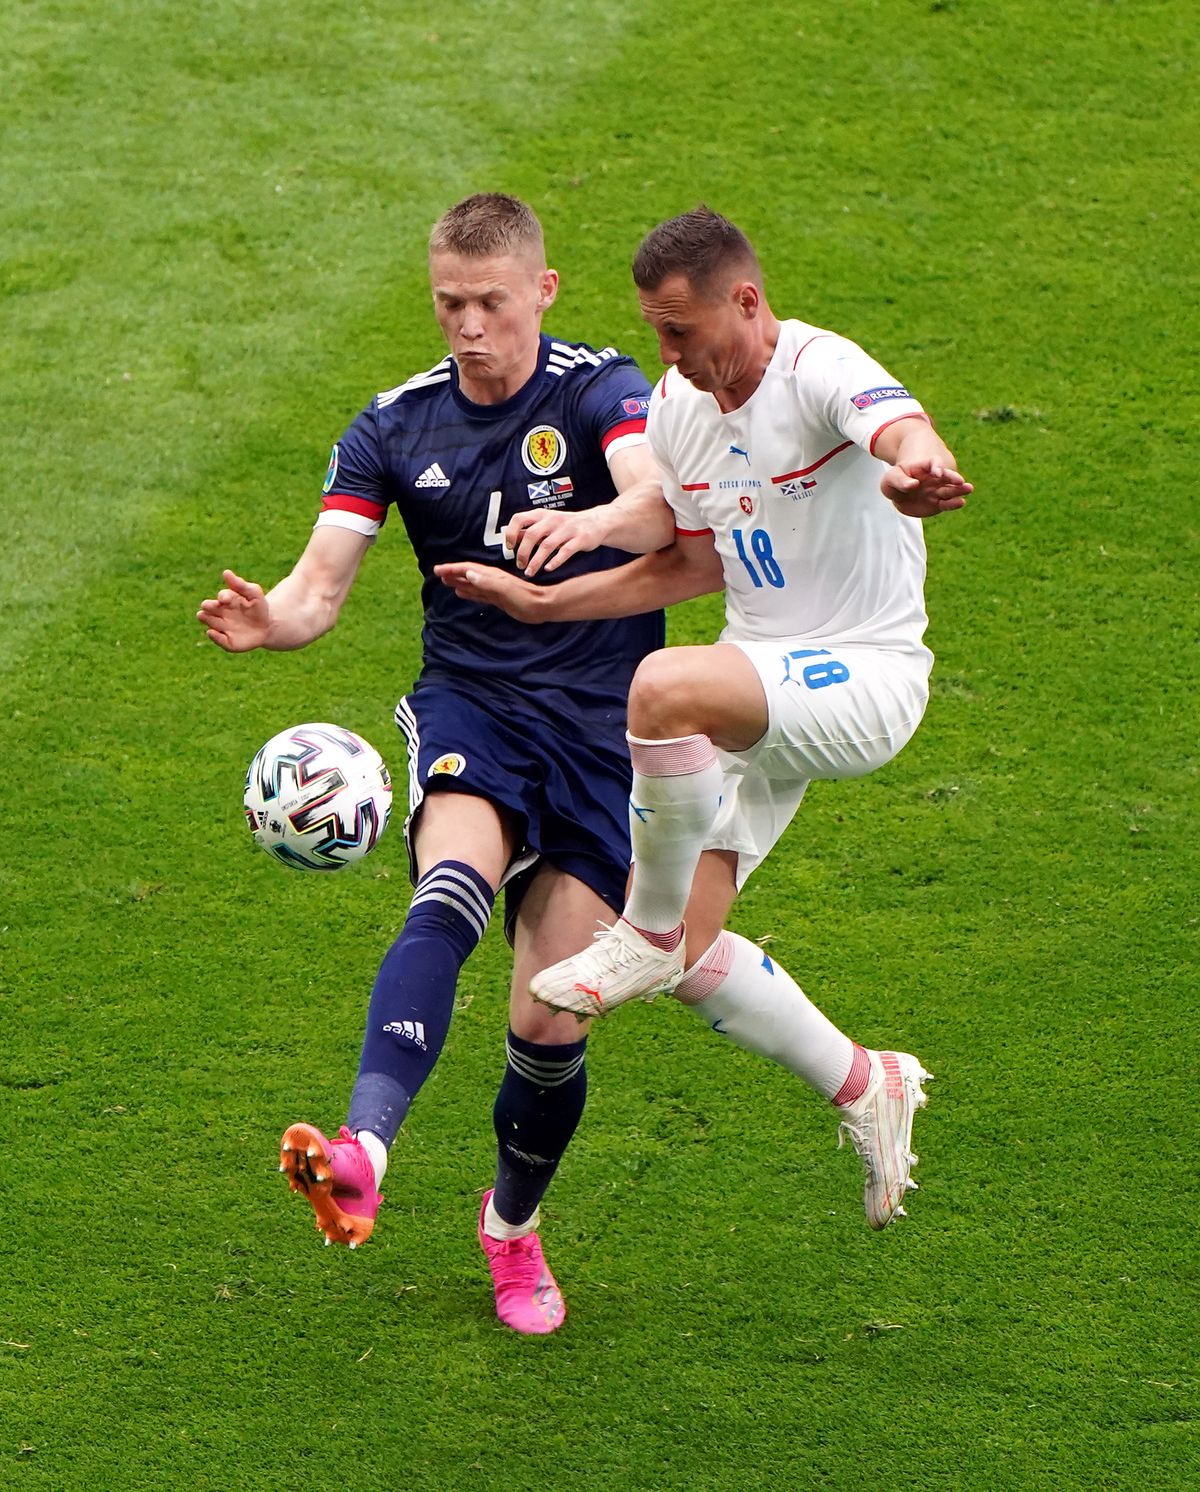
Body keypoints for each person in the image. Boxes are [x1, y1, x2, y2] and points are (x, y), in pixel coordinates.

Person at [437, 205, 972, 1231]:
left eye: (682, 333)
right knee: (692, 950)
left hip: (863, 677)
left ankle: (637, 928)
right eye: (655, 333)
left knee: (661, 689)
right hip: (764, 678)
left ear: (747, 302)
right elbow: (683, 546)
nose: (669, 358)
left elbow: (896, 428)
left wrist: (919, 464)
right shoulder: (685, 401)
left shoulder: (819, 369)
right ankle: (866, 1083)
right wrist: (559, 578)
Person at [197, 192, 676, 1335]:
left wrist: (591, 532)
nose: (468, 327)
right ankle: (361, 1148)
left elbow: (663, 504)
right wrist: (278, 619)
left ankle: (511, 1228)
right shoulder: (393, 428)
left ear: (542, 292)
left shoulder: (603, 387)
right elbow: (320, 587)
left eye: (490, 303)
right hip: (477, 703)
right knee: (449, 885)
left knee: (550, 1024)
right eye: (449, 304)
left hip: (607, 727)